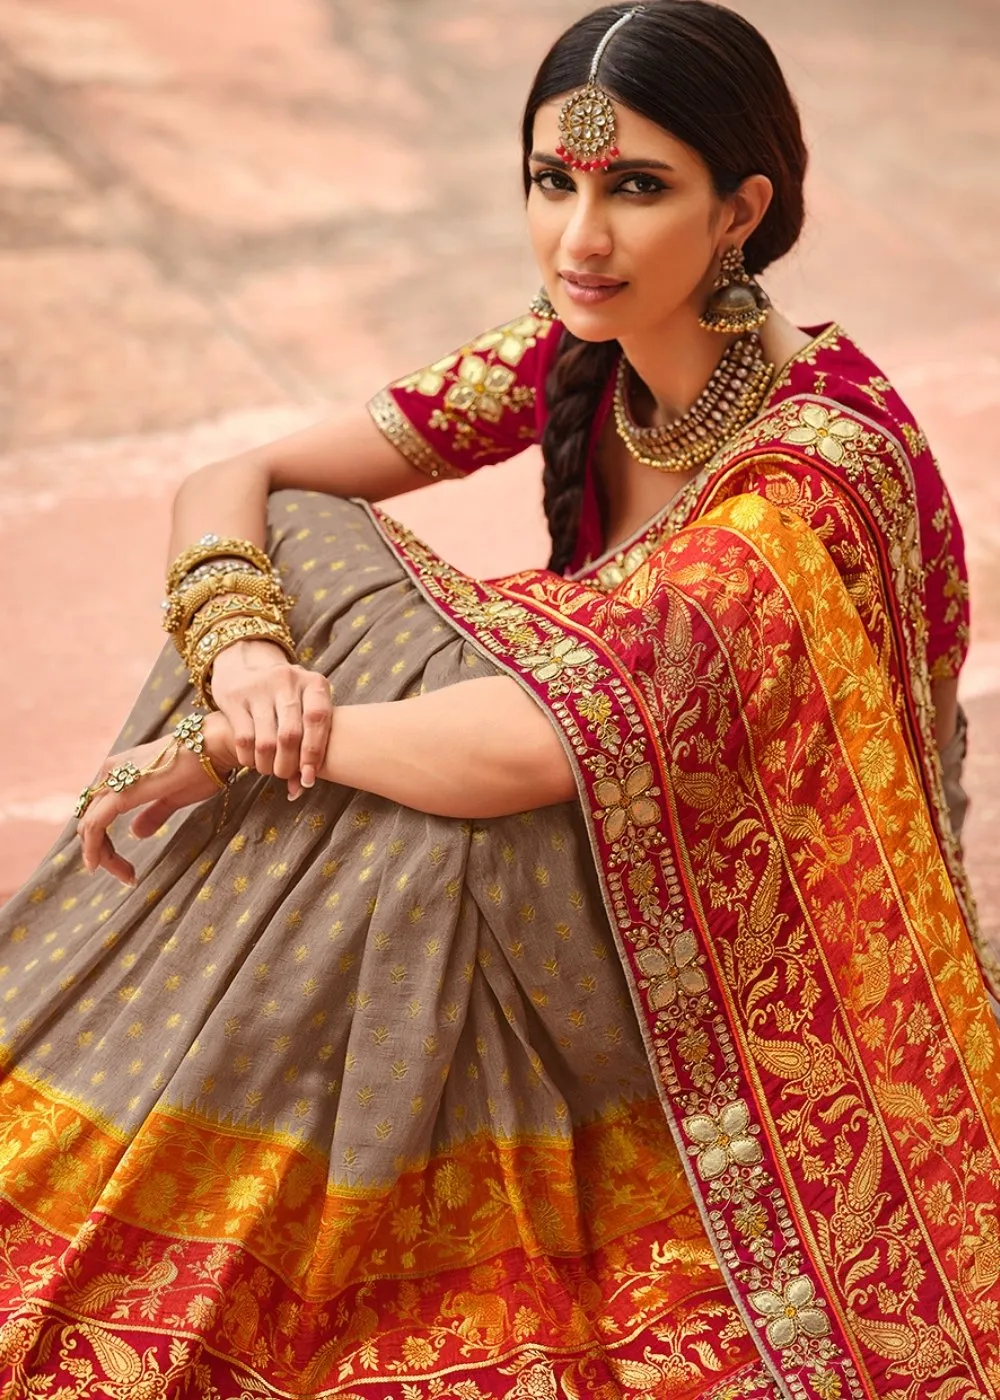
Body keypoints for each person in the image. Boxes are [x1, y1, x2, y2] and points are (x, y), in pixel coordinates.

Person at [0, 3, 997, 1396]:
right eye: (554, 182)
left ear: (741, 211)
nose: (578, 239)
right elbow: (236, 483)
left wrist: (232, 749)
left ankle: (222, 1165)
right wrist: (244, 664)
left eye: (635, 188)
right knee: (314, 570)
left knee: (410, 841)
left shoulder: (806, 478)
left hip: (723, 934)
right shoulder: (591, 341)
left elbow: (530, 752)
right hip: (588, 785)